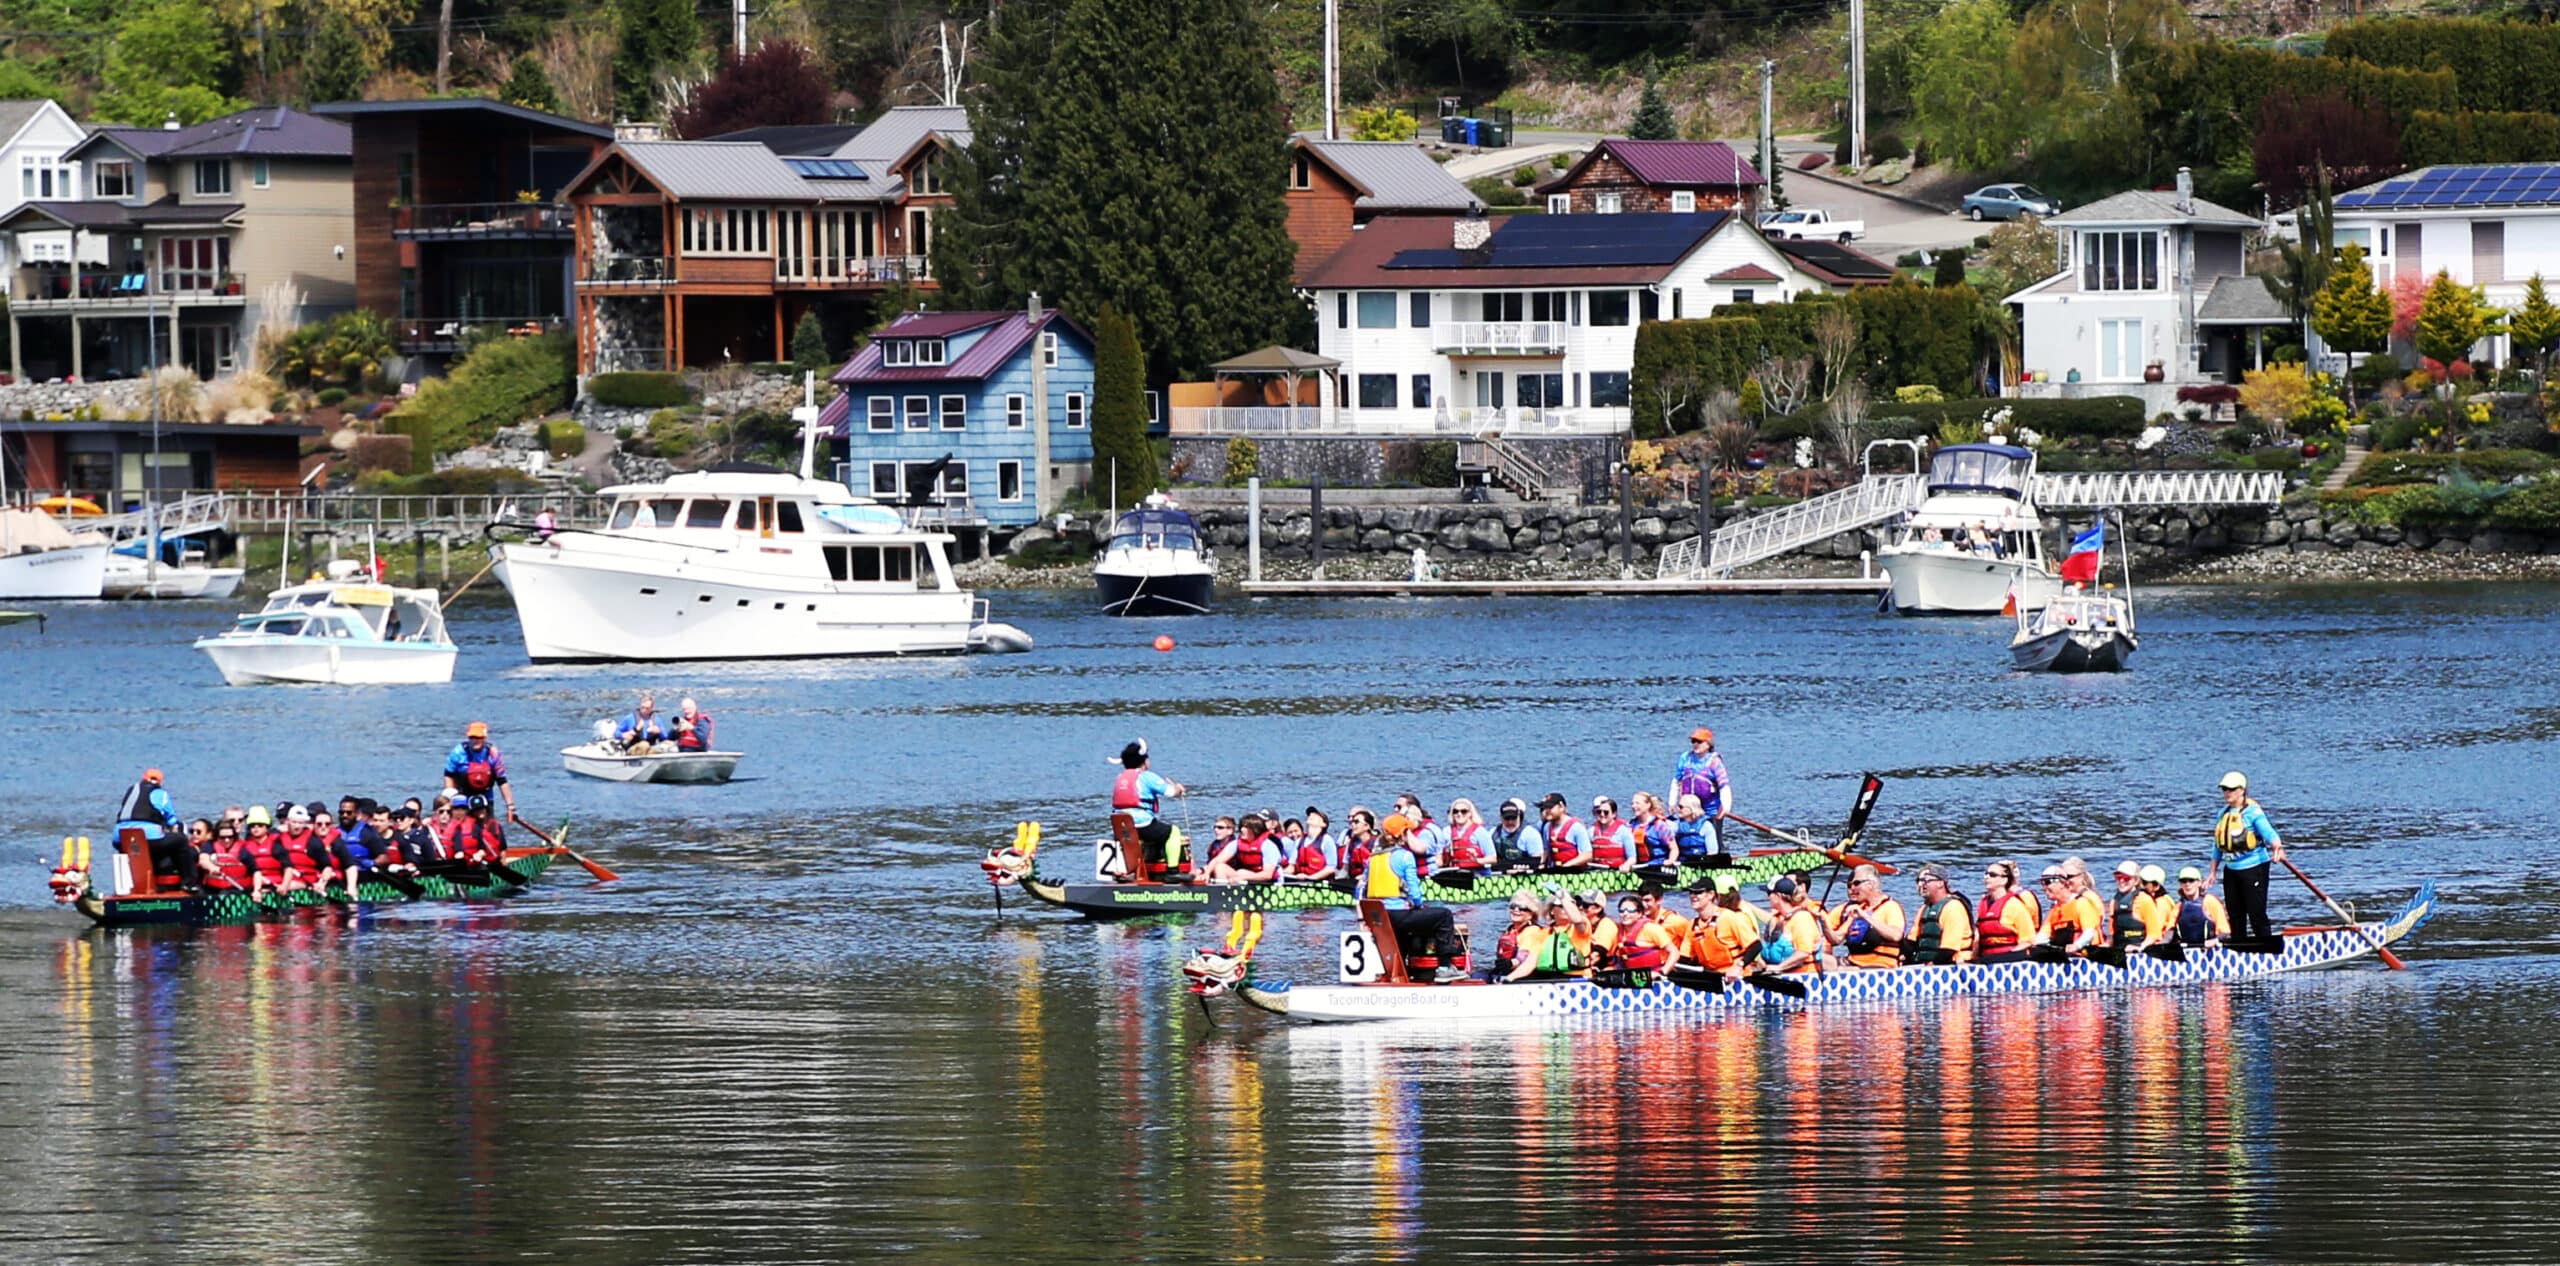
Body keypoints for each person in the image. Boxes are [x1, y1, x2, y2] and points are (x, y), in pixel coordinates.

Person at [1360, 816, 1463, 982]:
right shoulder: (1405, 856)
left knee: (1410, 924)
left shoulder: (1372, 859)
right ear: (1403, 834)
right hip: (1398, 914)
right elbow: (1415, 893)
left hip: (1378, 917)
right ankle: (1445, 968)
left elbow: (1361, 888)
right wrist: (1419, 905)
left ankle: (1402, 972)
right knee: (1444, 915)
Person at [2211, 771, 2284, 942]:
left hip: (2254, 868)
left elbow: (2270, 834)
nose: (2226, 793)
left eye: (2230, 789)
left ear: (2241, 790)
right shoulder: (2223, 814)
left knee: (2256, 912)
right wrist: (2212, 872)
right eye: (2224, 789)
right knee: (2235, 915)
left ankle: (2266, 946)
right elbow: (2217, 845)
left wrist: (2276, 848)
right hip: (2231, 870)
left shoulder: (2253, 812)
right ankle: (2239, 947)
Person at [1107, 739, 1186, 881]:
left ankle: (1131, 872)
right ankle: (1172, 872)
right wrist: (1178, 788)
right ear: (1144, 761)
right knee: (1173, 832)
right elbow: (1170, 792)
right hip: (1141, 824)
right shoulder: (1147, 776)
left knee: (1154, 833)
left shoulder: (1120, 777)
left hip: (1120, 824)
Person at [114, 767, 184, 891]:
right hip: (147, 837)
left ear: (143, 779)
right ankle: (188, 883)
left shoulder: (132, 790)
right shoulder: (160, 793)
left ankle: (132, 887)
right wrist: (172, 826)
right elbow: (171, 819)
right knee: (180, 841)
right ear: (160, 782)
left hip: (120, 837)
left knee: (142, 849)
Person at [1669, 728, 1734, 854]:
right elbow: (1676, 781)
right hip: (1688, 808)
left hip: (1710, 810)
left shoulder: (1714, 762)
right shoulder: (1685, 758)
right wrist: (1672, 802)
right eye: (1693, 741)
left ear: (1708, 744)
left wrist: (1726, 807)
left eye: (1699, 741)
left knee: (1713, 838)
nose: (1695, 744)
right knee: (1686, 835)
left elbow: (1724, 786)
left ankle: (1718, 858)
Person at [1506, 890, 1595, 981]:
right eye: (1561, 906)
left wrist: (1564, 899)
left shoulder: (1580, 927)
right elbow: (1530, 963)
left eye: (1571, 906)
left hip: (1578, 979)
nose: (1567, 909)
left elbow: (1577, 920)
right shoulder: (1544, 933)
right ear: (1552, 910)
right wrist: (1509, 978)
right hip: (1551, 979)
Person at [1829, 864, 1907, 968]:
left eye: (1856, 883)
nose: (1852, 888)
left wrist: (1865, 916)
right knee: (1818, 961)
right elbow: (1833, 939)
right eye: (1849, 885)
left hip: (1880, 966)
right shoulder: (1850, 909)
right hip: (1851, 963)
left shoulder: (1891, 907)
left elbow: (1896, 935)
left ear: (1871, 884)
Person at [1902, 865, 1974, 965]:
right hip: (1927, 963)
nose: (1920, 884)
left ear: (1940, 883)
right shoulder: (1925, 908)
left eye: (1926, 880)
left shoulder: (1953, 907)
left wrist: (1933, 964)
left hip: (1953, 963)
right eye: (1918, 880)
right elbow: (1912, 941)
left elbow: (1949, 948)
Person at [1973, 860, 2039, 963]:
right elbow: (1978, 937)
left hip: (2010, 958)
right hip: (1987, 957)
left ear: (2004, 880)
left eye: (1992, 875)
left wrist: (2007, 955)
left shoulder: (2015, 905)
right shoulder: (1983, 903)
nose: (1986, 877)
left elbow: (2028, 940)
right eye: (1986, 874)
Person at [444, 722, 516, 816]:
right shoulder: (458, 752)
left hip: (485, 798)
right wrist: (450, 799)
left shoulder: (493, 754)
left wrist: (510, 805)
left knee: (487, 827)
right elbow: (449, 775)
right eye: (472, 738)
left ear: (485, 738)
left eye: (478, 737)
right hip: (462, 798)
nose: (475, 740)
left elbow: (502, 780)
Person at [1766, 878, 1829, 975]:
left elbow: (1803, 952)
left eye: (1769, 894)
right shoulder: (1783, 919)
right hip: (1787, 974)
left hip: (1806, 976)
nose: (1768, 898)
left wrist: (1779, 967)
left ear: (1778, 896)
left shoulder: (1802, 918)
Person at [1608, 895, 1681, 979]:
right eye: (1622, 910)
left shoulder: (1651, 929)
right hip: (1633, 977)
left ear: (1639, 913)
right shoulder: (1618, 930)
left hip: (1653, 976)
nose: (1625, 914)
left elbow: (1674, 952)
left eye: (1630, 911)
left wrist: (1662, 972)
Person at [2040, 863, 2104, 956]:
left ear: (2061, 883)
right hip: (2065, 954)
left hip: (2085, 953)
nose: (2044, 887)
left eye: (2047, 882)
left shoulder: (2081, 903)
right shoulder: (2054, 910)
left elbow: (2090, 932)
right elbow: (2043, 936)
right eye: (2042, 883)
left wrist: (2077, 945)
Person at [1209, 813, 1281, 884]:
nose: (1242, 829)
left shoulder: (1268, 846)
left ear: (1255, 830)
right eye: (1241, 826)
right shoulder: (1236, 843)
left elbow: (1267, 875)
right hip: (1245, 877)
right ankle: (1223, 891)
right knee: (1219, 867)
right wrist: (1206, 874)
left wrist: (1243, 877)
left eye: (1246, 827)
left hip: (1268, 883)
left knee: (1242, 872)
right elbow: (1217, 860)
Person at [2172, 866, 2231, 947]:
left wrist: (2215, 940)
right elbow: (2170, 931)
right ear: (2180, 885)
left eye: (2191, 881)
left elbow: (2224, 931)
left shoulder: (2210, 901)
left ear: (2199, 883)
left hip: (2211, 949)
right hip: (2186, 949)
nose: (2187, 884)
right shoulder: (2179, 906)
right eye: (2183, 881)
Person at [1491, 891, 1543, 977]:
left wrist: (1510, 964)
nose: (1516, 910)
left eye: (1522, 908)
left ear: (1531, 913)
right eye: (1513, 906)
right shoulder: (1511, 930)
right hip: (1505, 971)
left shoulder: (1533, 931)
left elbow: (1524, 958)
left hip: (1524, 976)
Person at [1627, 792, 1677, 874]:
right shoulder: (1631, 825)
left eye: (1637, 803)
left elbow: (1674, 848)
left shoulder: (1660, 825)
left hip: (1656, 865)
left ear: (1648, 805)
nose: (1633, 806)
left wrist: (1670, 861)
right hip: (1638, 866)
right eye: (1632, 803)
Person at [1537, 793, 1590, 870]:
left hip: (1575, 872)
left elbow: (1587, 855)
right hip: (1554, 871)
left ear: (1561, 807)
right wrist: (1540, 865)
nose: (1546, 811)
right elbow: (1546, 850)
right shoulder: (1547, 827)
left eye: (1550, 808)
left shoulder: (1577, 827)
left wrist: (1566, 867)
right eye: (1544, 808)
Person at [1489, 799, 1541, 871]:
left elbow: (1537, 862)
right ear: (1501, 817)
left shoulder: (1530, 834)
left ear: (1519, 816)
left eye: (1514, 818)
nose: (1510, 822)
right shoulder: (1492, 833)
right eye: (1507, 818)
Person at [1585, 796, 1636, 871]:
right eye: (1599, 812)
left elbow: (1632, 858)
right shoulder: (1591, 831)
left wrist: (1626, 865)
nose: (1602, 815)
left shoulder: (1624, 832)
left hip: (1617, 871)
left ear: (1614, 814)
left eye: (1606, 812)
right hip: (1595, 871)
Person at [2131, 865, 2177, 948]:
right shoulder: (2146, 900)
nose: (2140, 886)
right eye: (2139, 881)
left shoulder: (2162, 904)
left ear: (2156, 886)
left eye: (2144, 883)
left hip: (2158, 945)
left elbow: (2156, 931)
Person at [1440, 799, 1490, 872]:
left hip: (1477, 874)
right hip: (1454, 872)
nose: (1459, 814)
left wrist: (1476, 861)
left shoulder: (1480, 832)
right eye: (1455, 811)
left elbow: (1492, 858)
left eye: (1463, 811)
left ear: (1470, 813)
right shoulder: (1446, 832)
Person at [1639, 880, 1692, 947]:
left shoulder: (1676, 921)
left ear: (1659, 900)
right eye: (1640, 900)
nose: (1643, 904)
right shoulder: (1637, 921)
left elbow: (1692, 940)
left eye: (1647, 900)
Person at [2108, 860, 2147, 950]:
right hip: (2120, 949)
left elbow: (2154, 934)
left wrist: (2141, 947)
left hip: (2141, 950)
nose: (2121, 881)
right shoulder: (2114, 902)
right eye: (2118, 877)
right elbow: (2111, 933)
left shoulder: (2145, 900)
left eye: (2126, 878)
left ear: (2136, 881)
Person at [1671, 793, 1717, 866]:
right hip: (1682, 863)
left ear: (1691, 808)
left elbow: (1712, 852)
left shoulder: (1706, 826)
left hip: (1702, 863)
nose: (1678, 809)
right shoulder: (1675, 825)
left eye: (1681, 807)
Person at [1340, 807, 1382, 874]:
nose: (1352, 824)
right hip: (1354, 879)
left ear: (1366, 826)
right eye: (1352, 821)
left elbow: (1379, 868)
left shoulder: (1376, 843)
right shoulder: (1351, 844)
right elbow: (1345, 868)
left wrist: (1364, 878)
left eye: (1356, 822)